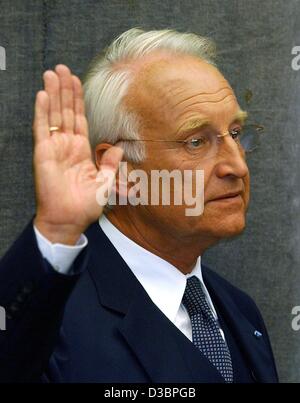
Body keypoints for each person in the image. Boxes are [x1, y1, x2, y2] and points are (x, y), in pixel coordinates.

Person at [0, 28, 278, 383]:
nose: (237, 166)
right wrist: (55, 231)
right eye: (196, 141)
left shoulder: (241, 312)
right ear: (119, 171)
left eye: (236, 134)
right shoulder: (50, 322)